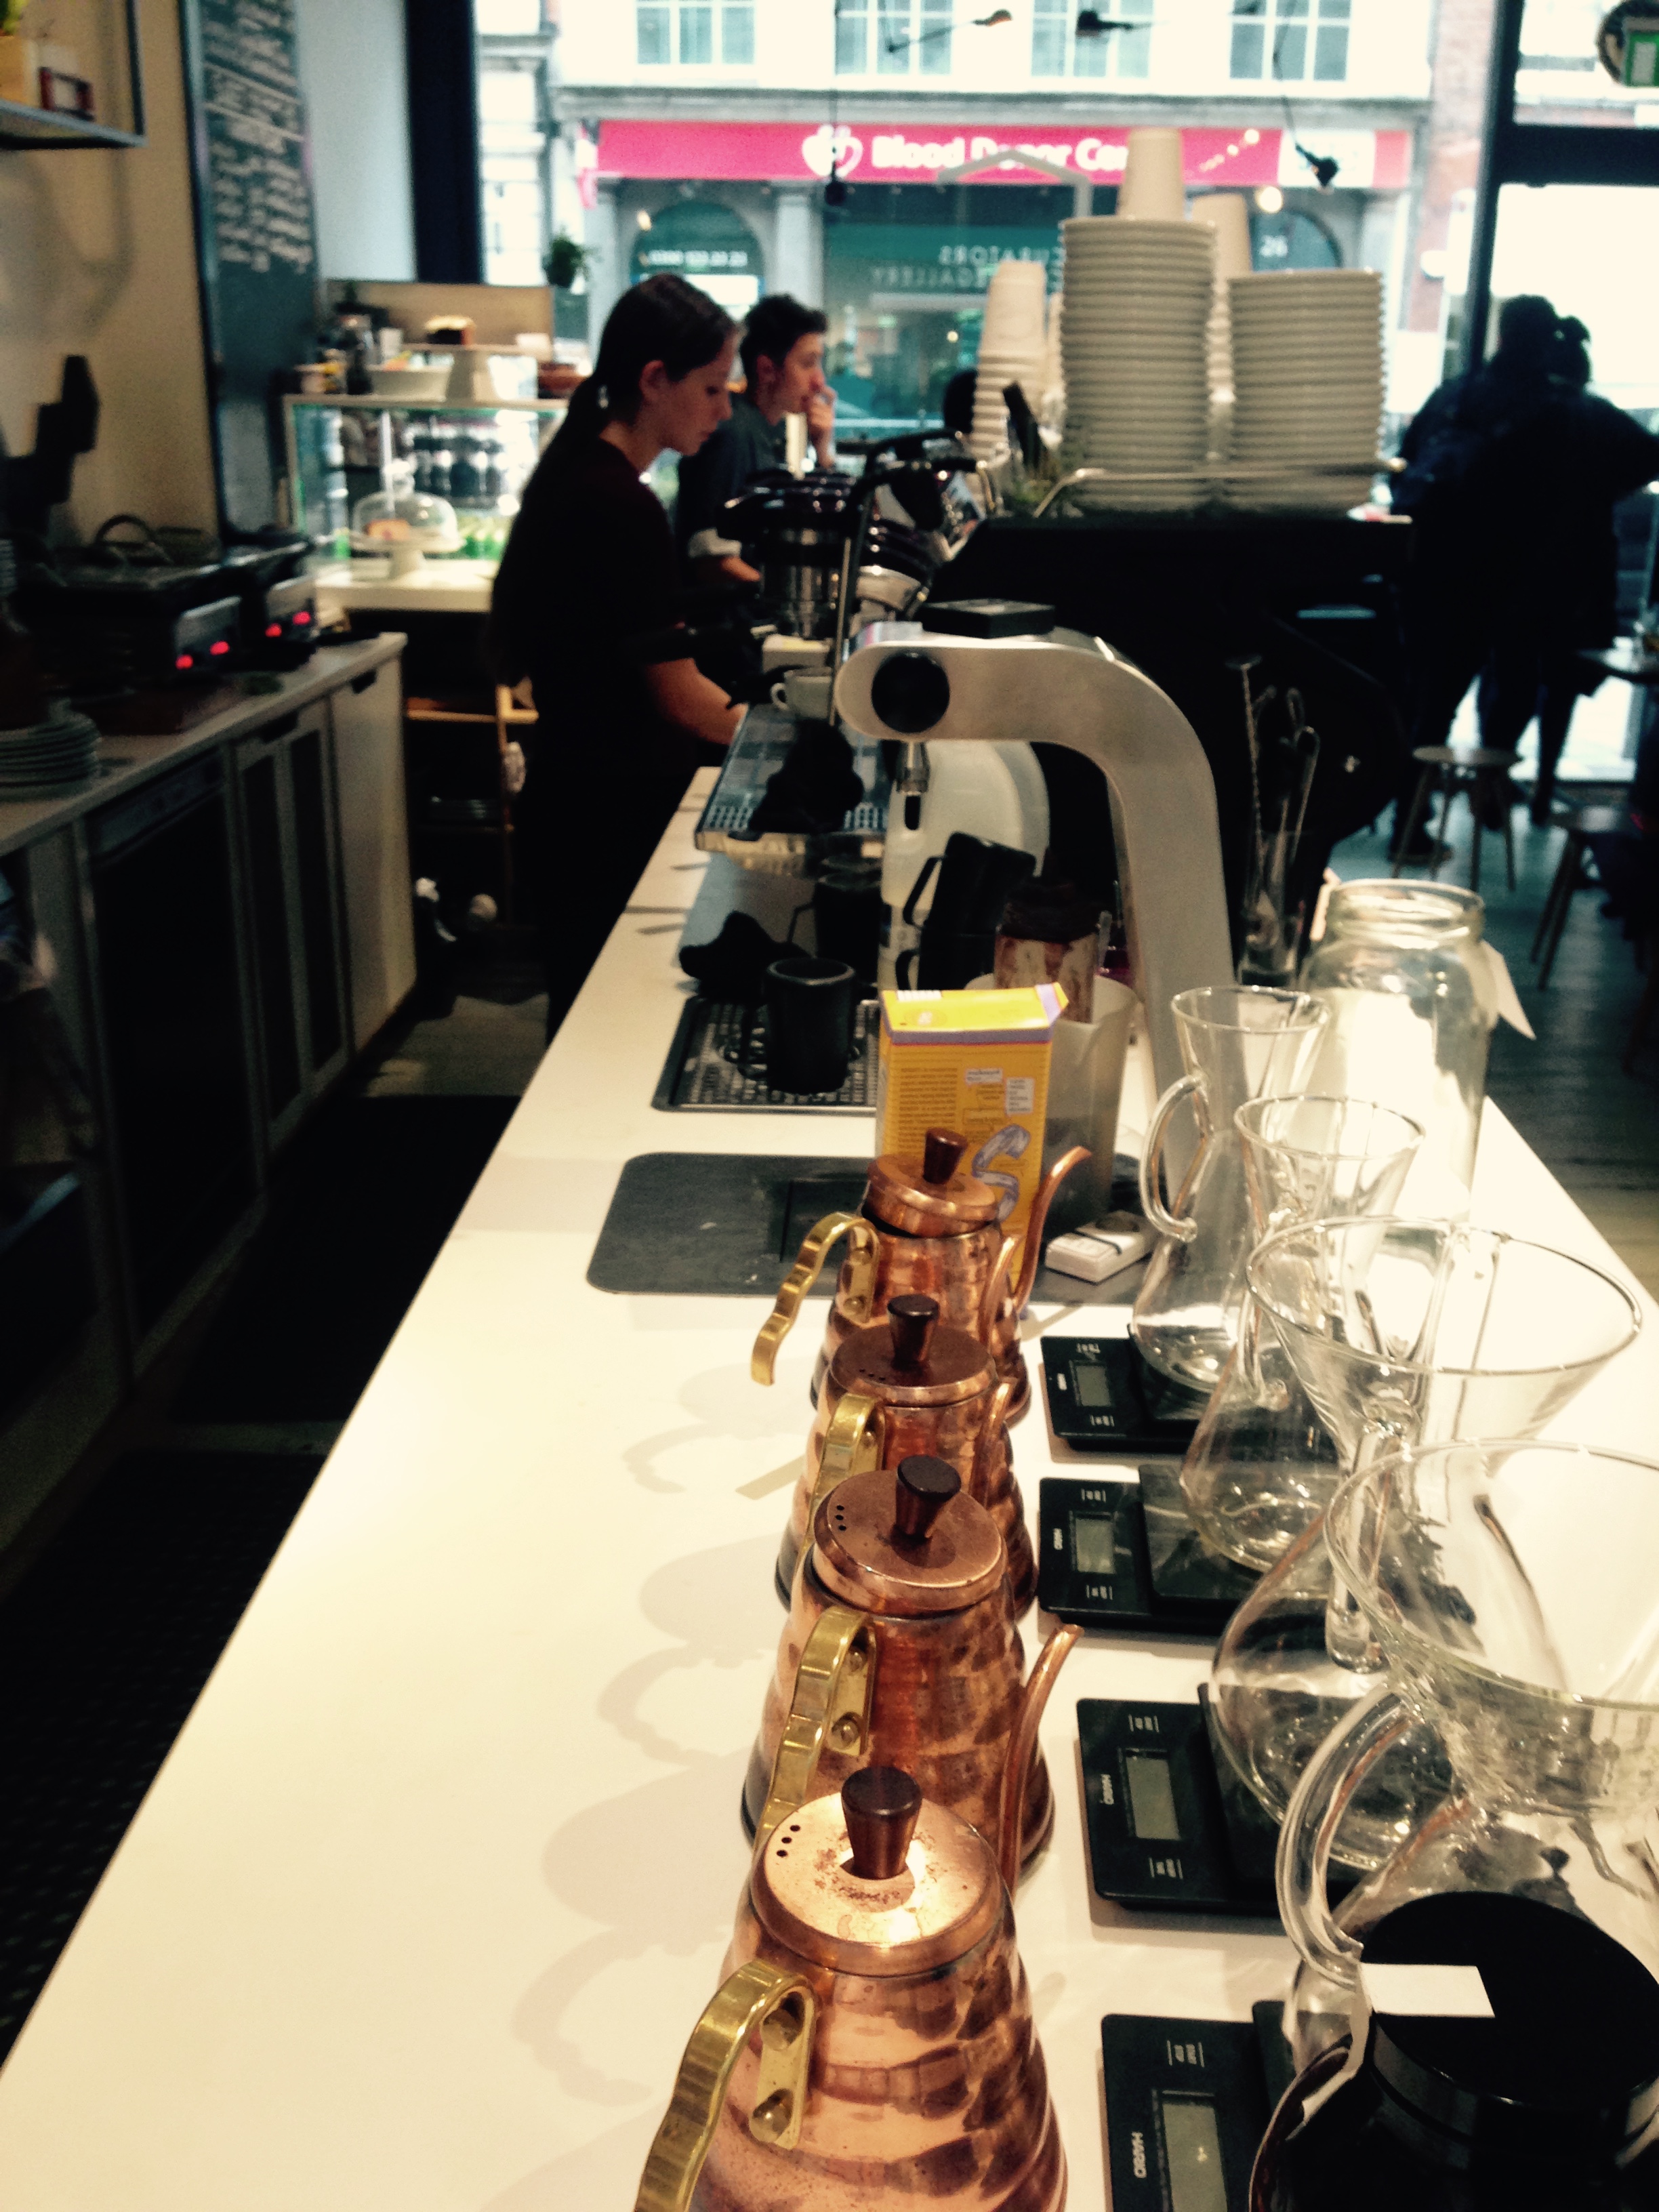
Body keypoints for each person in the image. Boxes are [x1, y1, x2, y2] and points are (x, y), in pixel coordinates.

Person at [489, 274, 743, 1033]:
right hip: (604, 819)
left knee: (583, 1019)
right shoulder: (618, 503)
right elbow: (679, 695)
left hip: (576, 803)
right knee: (603, 1031)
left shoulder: (586, 477)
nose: (724, 410)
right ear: (655, 380)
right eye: (711, 388)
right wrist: (787, 734)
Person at [1395, 295, 1659, 846]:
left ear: (1501, 332)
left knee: (1430, 703)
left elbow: (1408, 460)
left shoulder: (1456, 394)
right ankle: (1491, 789)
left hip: (1440, 575)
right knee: (1513, 693)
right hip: (1525, 585)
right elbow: (1637, 460)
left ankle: (1410, 820)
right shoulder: (1566, 409)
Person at [674, 293, 835, 584]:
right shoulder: (733, 434)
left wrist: (822, 449)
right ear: (767, 369)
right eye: (808, 364)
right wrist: (789, 596)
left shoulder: (770, 428)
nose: (819, 381)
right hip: (724, 614)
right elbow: (713, 561)